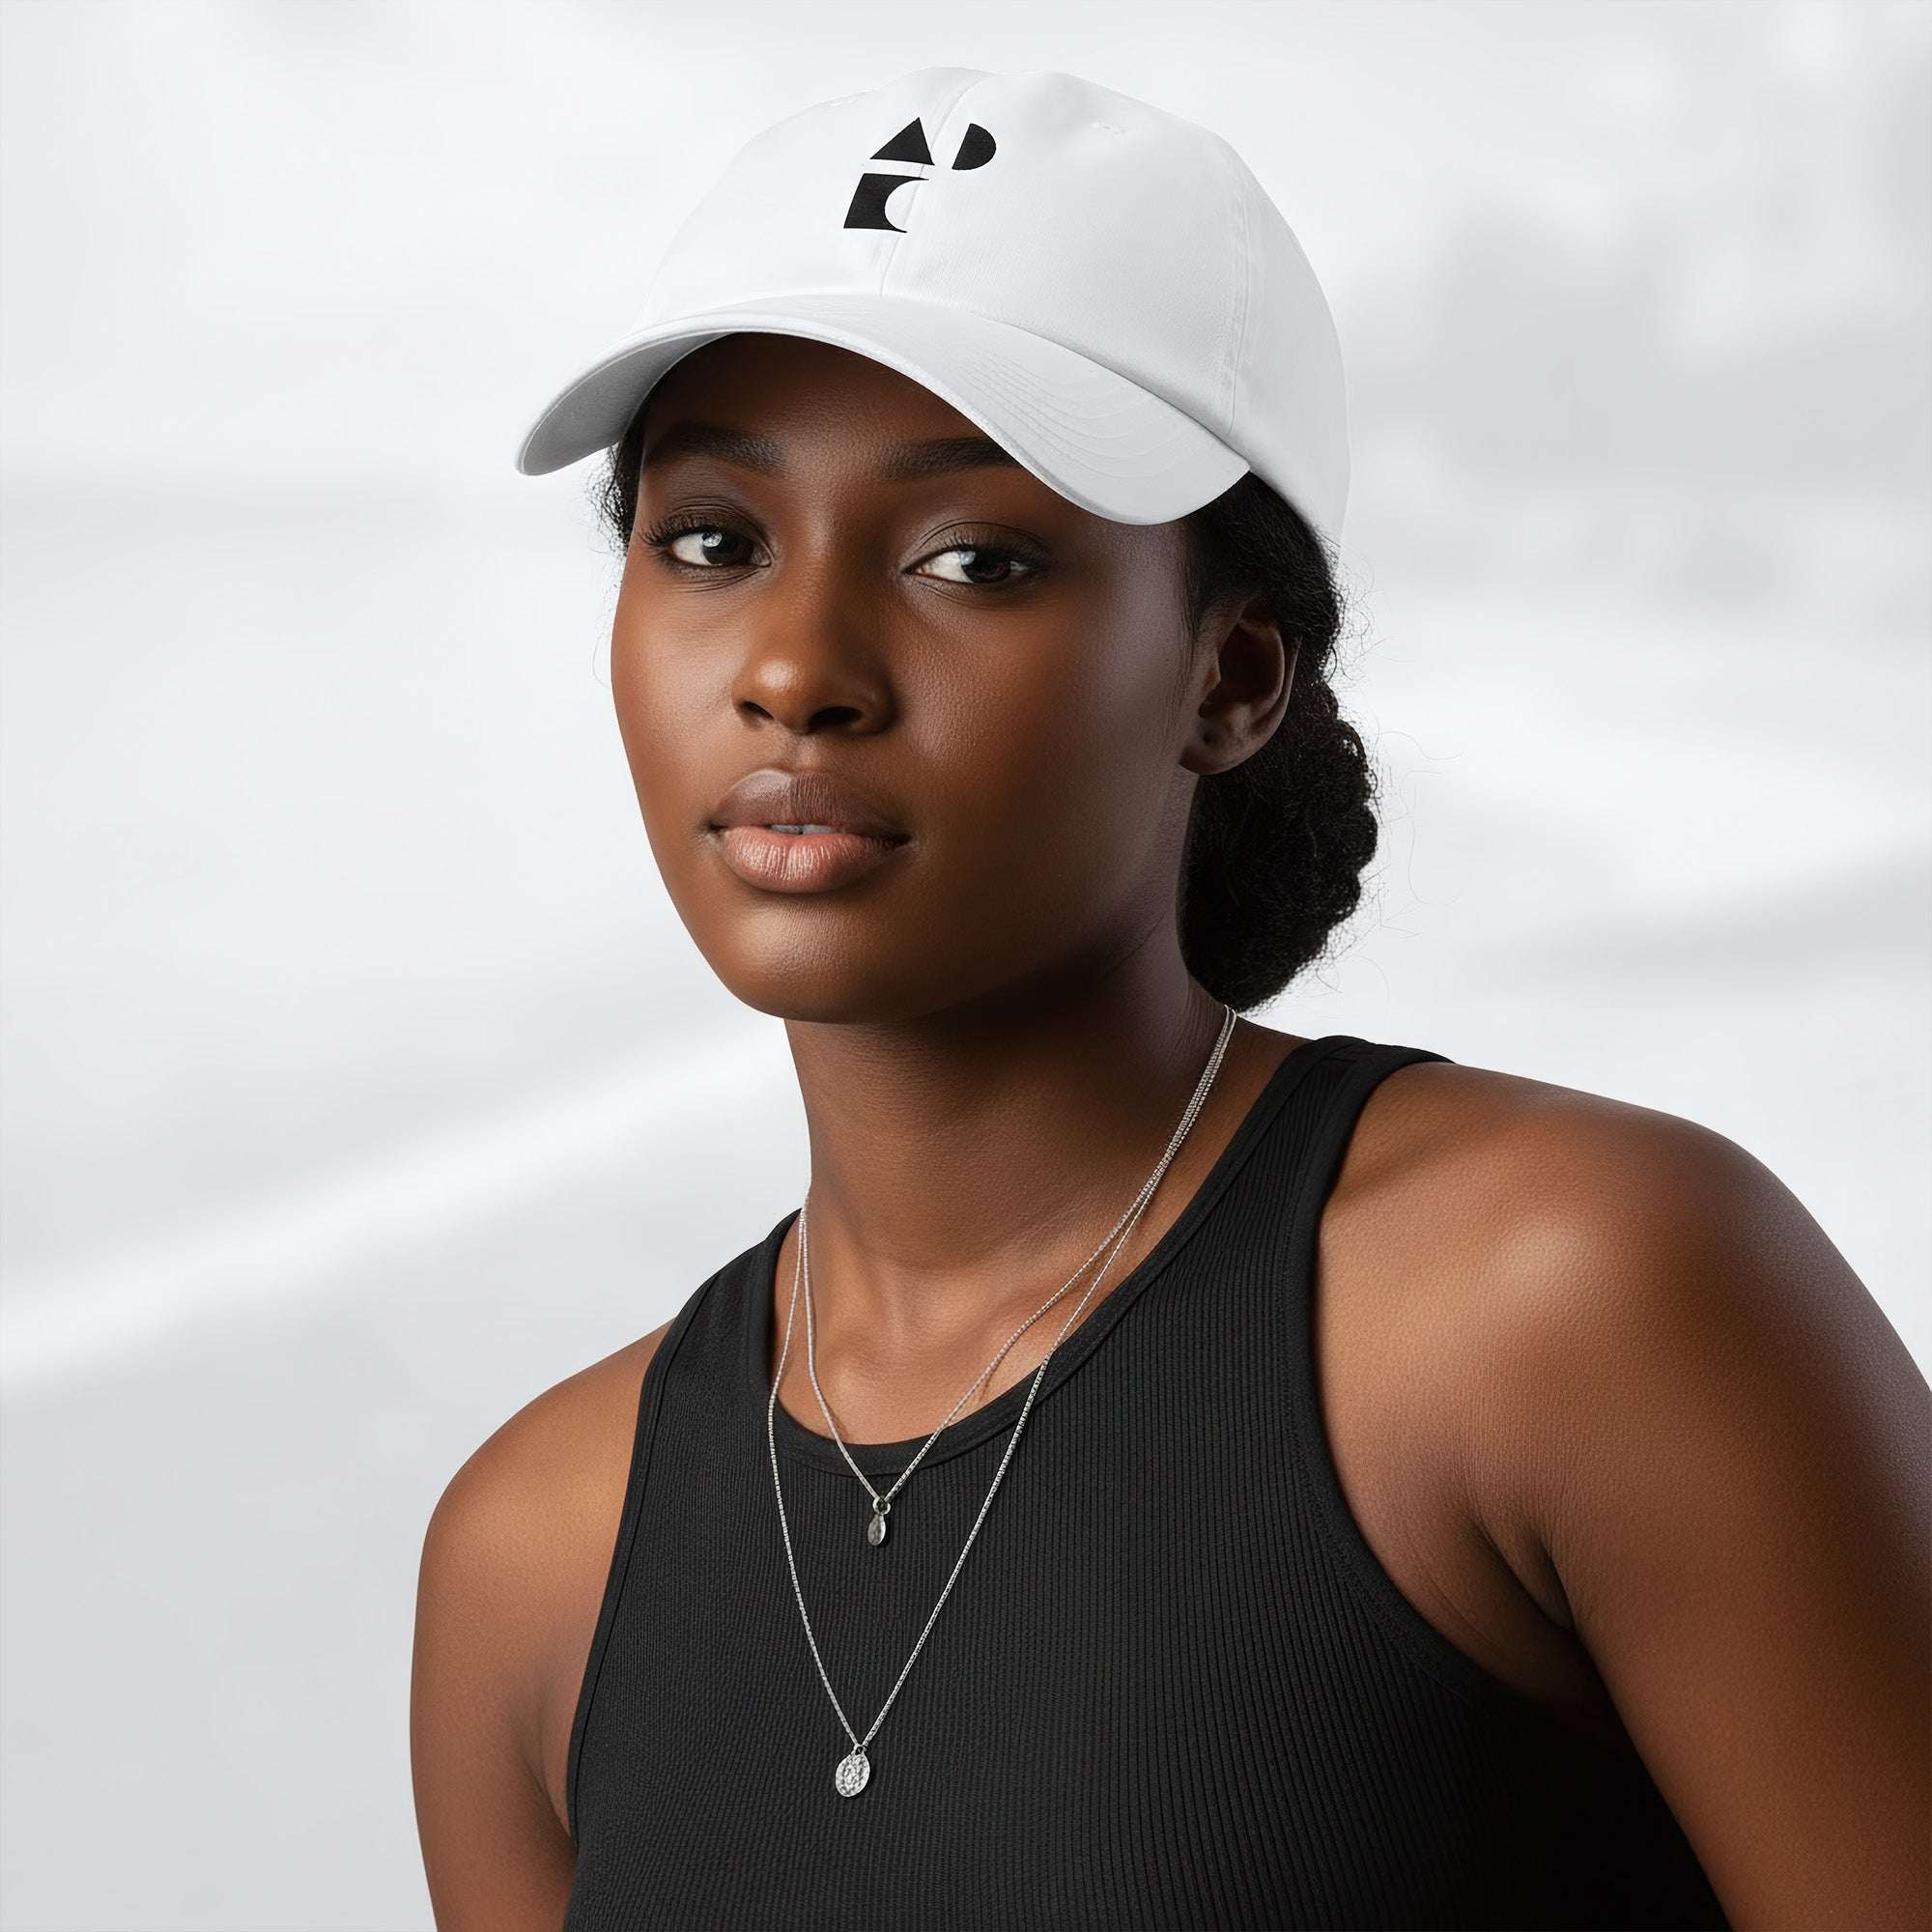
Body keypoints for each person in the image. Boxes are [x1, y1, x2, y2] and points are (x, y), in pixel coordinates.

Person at [410, 68, 1929, 1931]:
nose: (797, 670)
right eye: (714, 541)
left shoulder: (1568, 1302)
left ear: (1232, 677)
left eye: (975, 559)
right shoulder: (537, 1556)